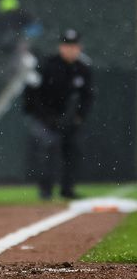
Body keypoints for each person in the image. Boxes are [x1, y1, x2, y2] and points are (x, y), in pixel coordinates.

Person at [24, 28, 94, 200]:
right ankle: (45, 191)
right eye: (67, 45)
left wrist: (79, 116)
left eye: (74, 45)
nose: (70, 49)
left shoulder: (83, 68)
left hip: (69, 118)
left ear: (80, 47)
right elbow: (32, 93)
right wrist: (44, 116)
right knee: (48, 147)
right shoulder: (47, 64)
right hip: (45, 117)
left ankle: (67, 190)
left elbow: (88, 96)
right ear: (60, 47)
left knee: (73, 150)